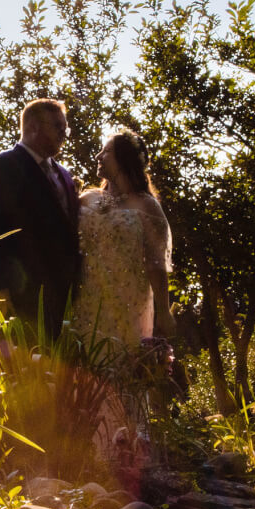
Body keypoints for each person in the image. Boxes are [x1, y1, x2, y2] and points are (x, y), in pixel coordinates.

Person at [0, 98, 80, 339]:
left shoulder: (65, 176)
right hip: (21, 294)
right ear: (32, 128)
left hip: (66, 298)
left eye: (65, 128)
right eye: (57, 127)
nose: (64, 134)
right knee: (22, 369)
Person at [72, 127, 174, 354]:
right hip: (87, 297)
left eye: (105, 151)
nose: (98, 156)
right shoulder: (87, 199)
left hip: (127, 302)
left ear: (122, 160)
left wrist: (164, 311)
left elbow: (156, 264)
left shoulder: (147, 206)